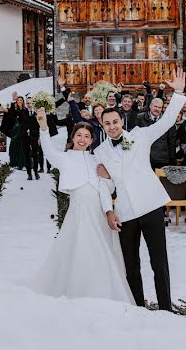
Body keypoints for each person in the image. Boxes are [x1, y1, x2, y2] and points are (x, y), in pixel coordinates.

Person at [95, 67, 186, 311]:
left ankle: (166, 308)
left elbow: (167, 121)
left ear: (121, 121)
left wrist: (177, 92)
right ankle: (137, 308)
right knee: (131, 265)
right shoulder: (100, 152)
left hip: (150, 206)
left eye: (115, 121)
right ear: (102, 125)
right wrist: (108, 211)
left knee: (159, 262)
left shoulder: (139, 136)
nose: (112, 126)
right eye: (107, 123)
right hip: (125, 214)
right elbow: (105, 186)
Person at [32, 110, 134, 304]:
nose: (82, 139)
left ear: (91, 140)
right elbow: (48, 150)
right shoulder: (65, 158)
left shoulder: (96, 158)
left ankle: (102, 290)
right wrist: (43, 127)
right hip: (79, 212)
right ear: (73, 137)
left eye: (87, 136)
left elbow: (106, 187)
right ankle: (78, 289)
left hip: (98, 213)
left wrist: (107, 184)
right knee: (80, 248)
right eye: (79, 135)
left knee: (102, 250)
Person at [0, 94, 34, 174]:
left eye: (21, 100)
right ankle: (14, 163)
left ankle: (23, 164)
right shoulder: (13, 109)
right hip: (15, 130)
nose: (19, 101)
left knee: (23, 147)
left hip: (23, 129)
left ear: (23, 102)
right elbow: (7, 113)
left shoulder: (25, 110)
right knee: (14, 146)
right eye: (18, 100)